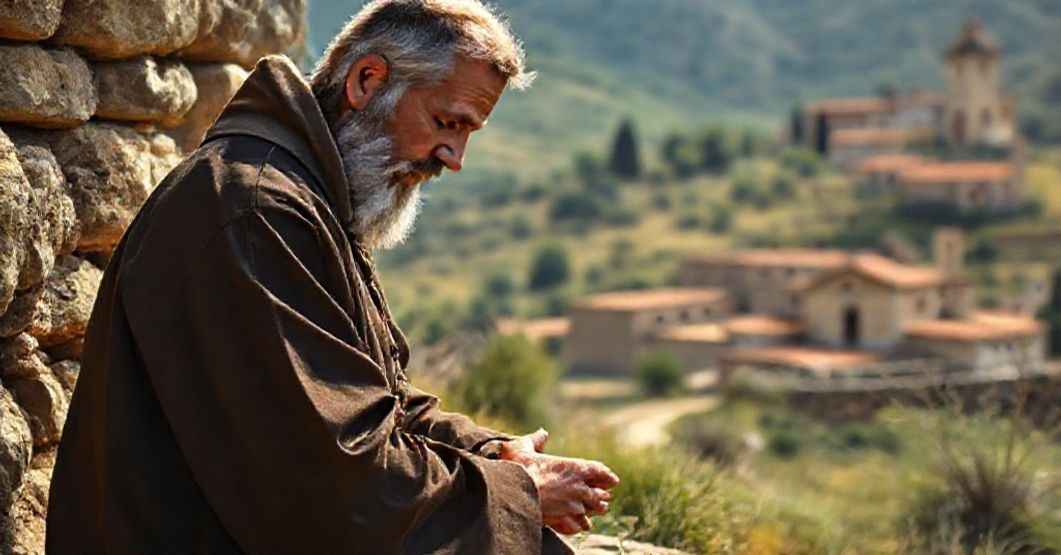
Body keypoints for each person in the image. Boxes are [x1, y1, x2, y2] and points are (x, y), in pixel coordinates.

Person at [46, 1, 619, 553]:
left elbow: (369, 401)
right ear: (366, 80)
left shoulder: (305, 197)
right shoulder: (254, 211)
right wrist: (519, 496)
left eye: (468, 132)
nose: (454, 156)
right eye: (447, 122)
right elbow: (333, 481)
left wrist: (494, 456)